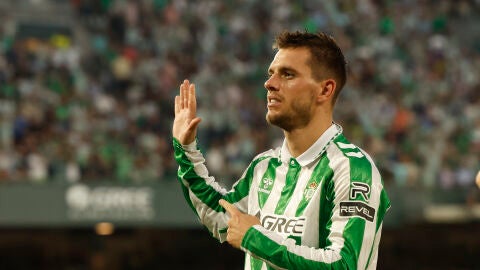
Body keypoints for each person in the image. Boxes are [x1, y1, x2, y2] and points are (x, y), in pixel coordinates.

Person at [172, 30, 390, 270]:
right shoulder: (264, 166)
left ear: (325, 90)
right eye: (271, 74)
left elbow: (345, 264)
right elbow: (223, 217)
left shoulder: (350, 169)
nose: (270, 84)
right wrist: (186, 149)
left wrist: (255, 239)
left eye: (287, 74)